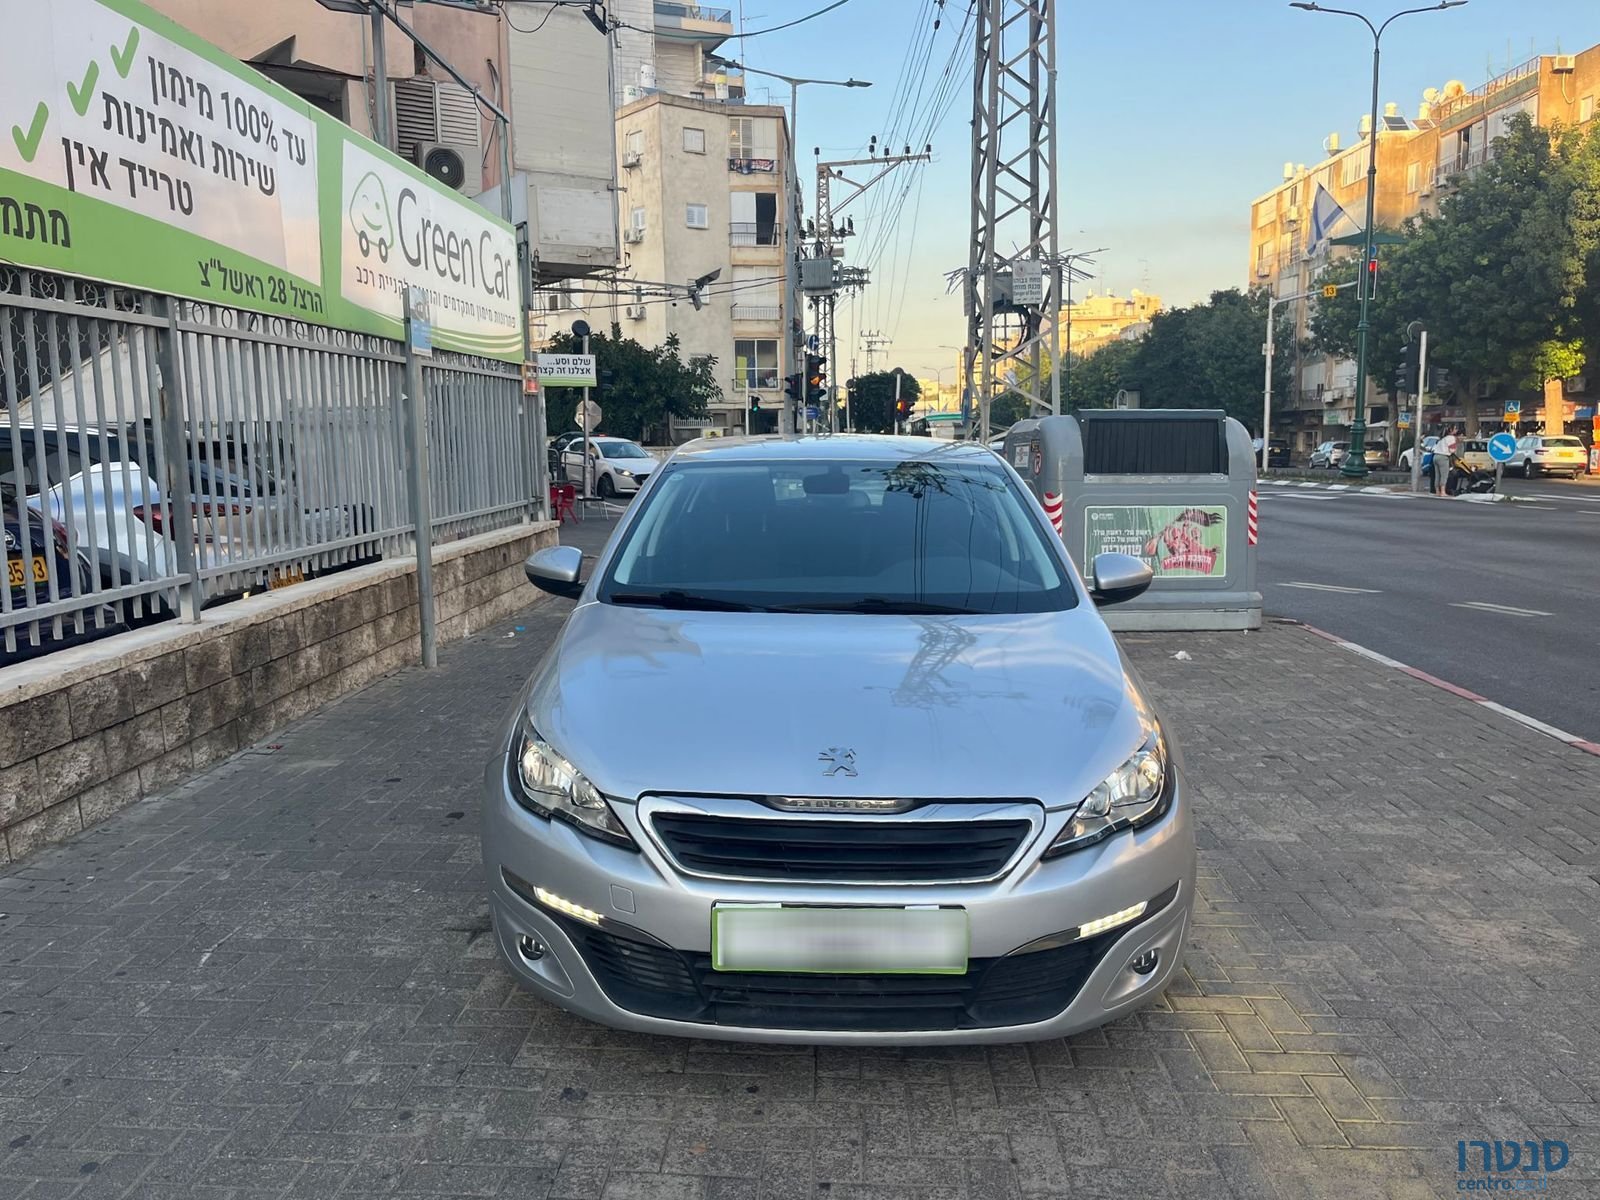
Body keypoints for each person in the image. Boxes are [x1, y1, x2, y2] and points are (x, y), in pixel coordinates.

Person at [1432, 429, 1459, 494]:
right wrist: (1456, 445)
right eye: (1455, 429)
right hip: (1443, 457)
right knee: (1444, 475)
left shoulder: (1442, 438)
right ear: (1451, 430)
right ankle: (1443, 492)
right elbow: (1452, 450)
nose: (1456, 430)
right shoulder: (1451, 438)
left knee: (1437, 475)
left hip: (1435, 456)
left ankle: (1437, 491)